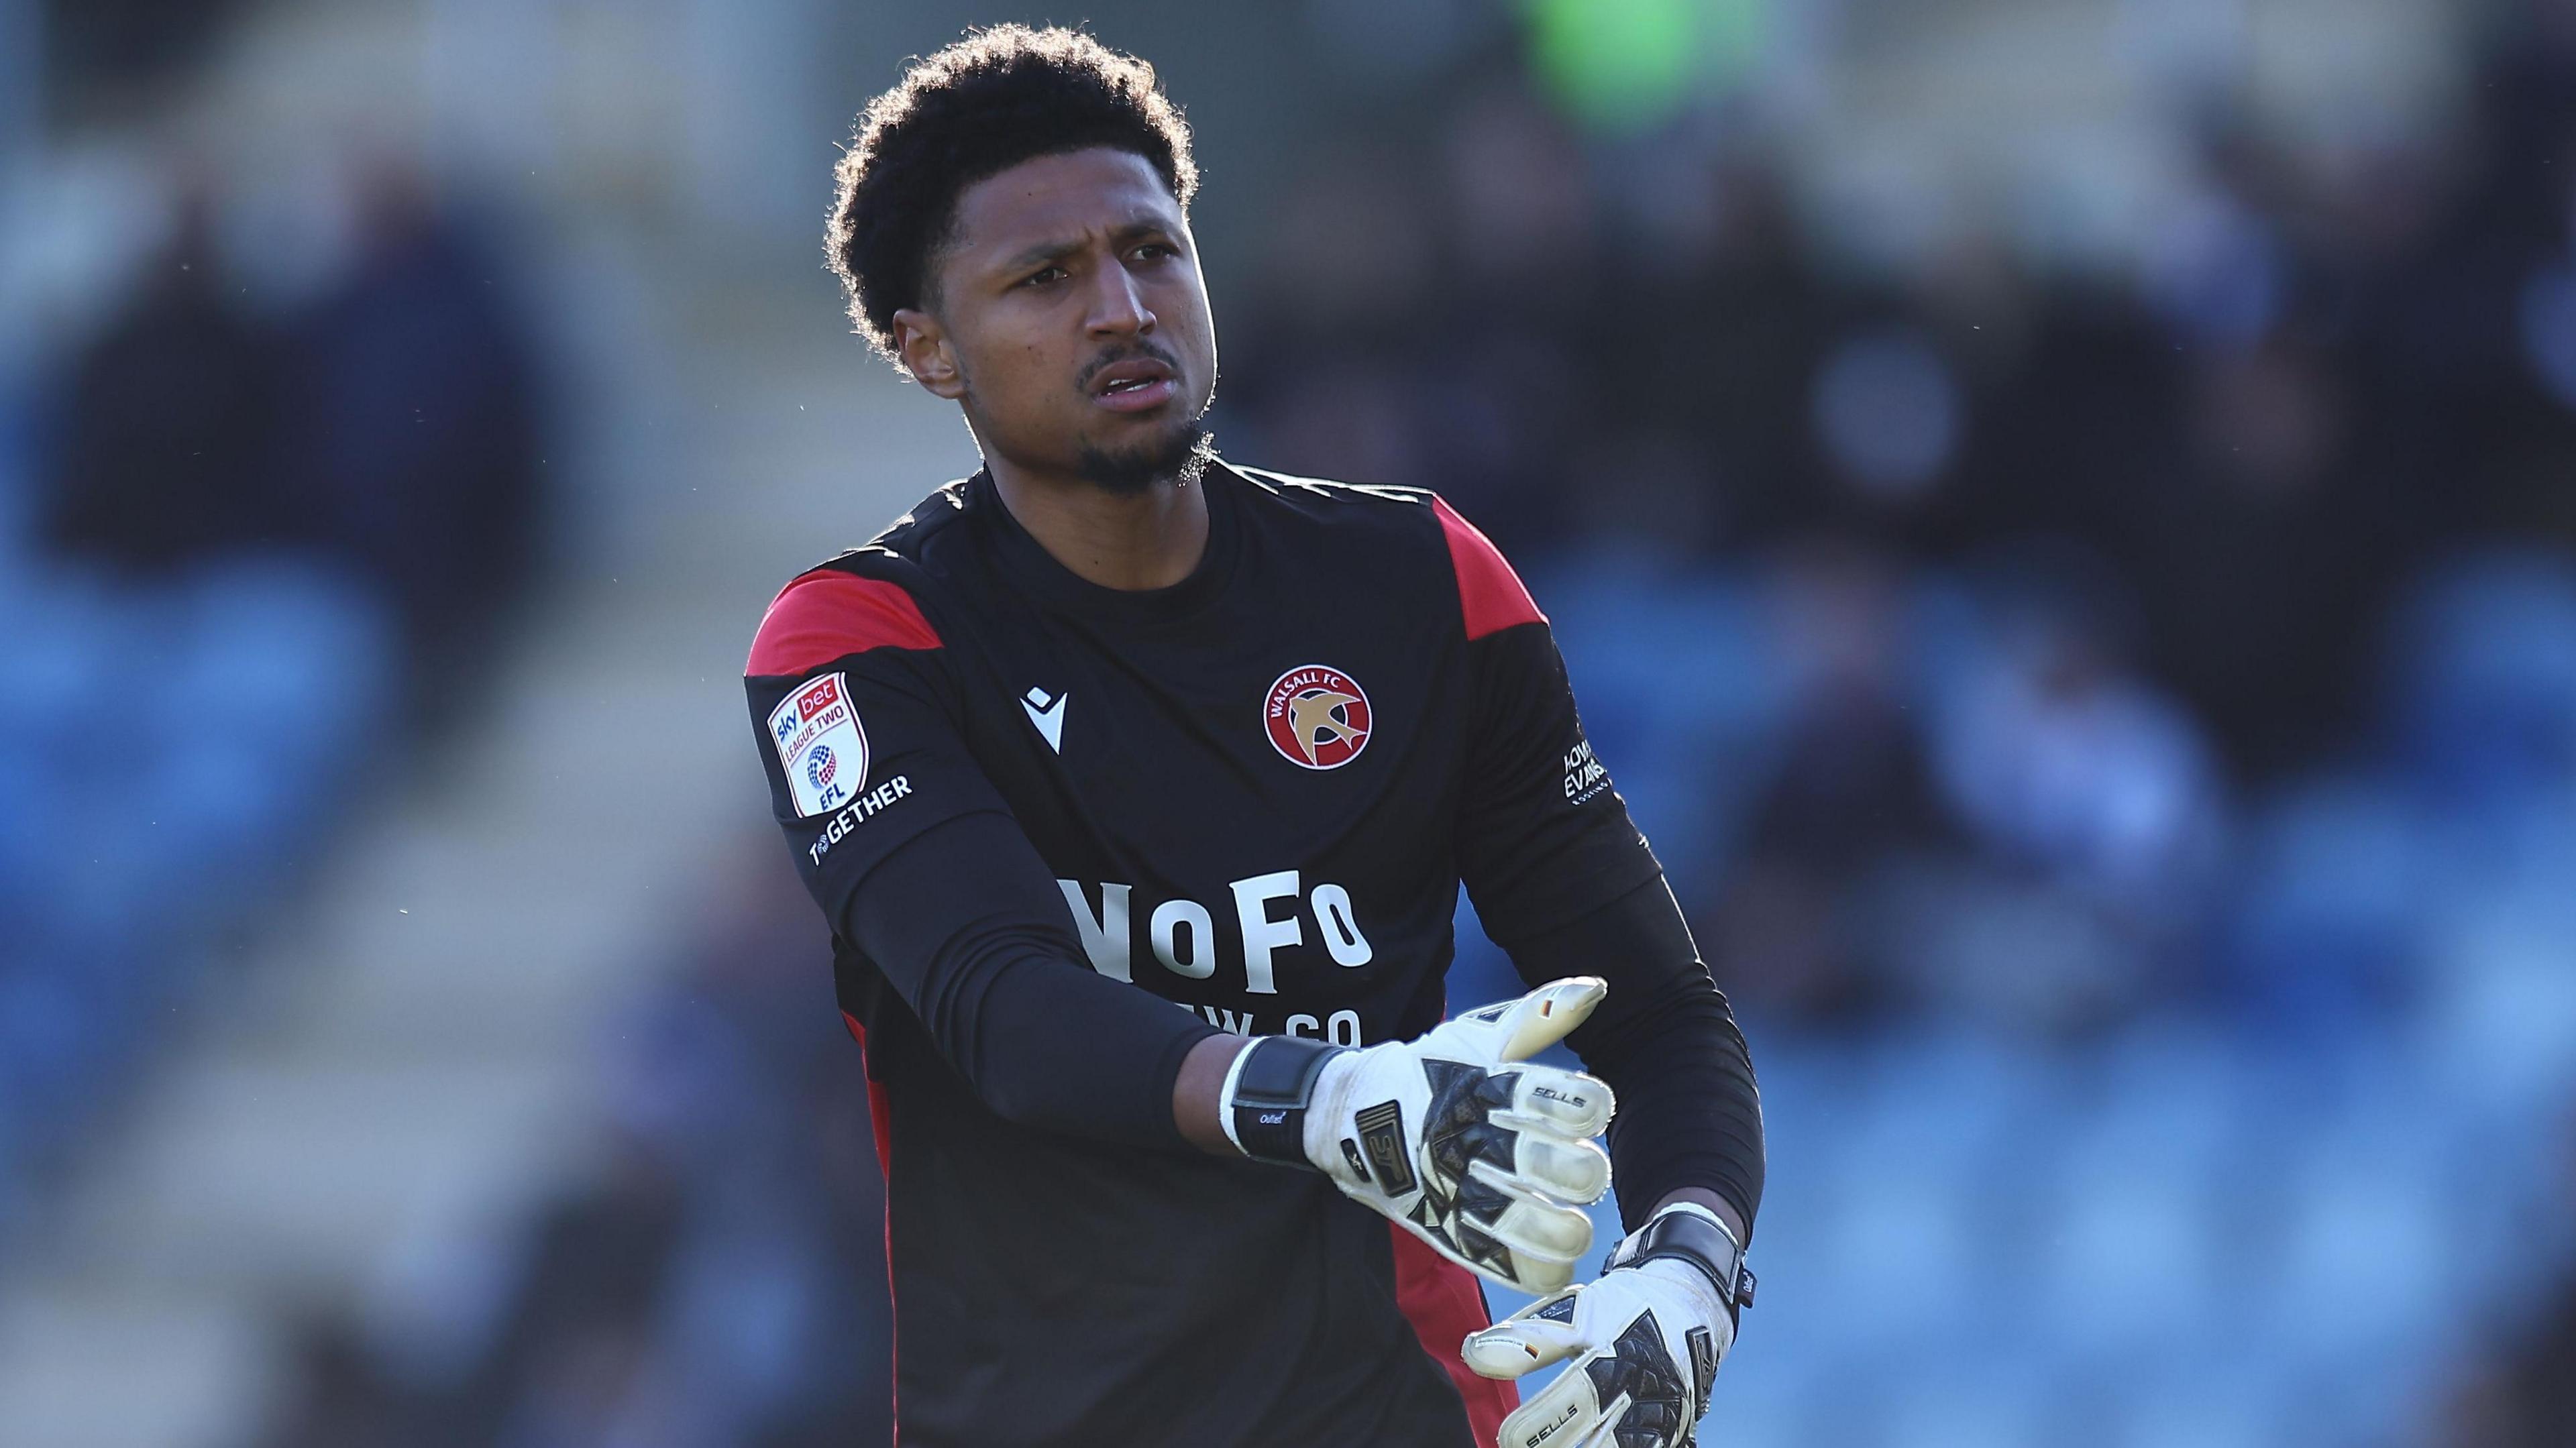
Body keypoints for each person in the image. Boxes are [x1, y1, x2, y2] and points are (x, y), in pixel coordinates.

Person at [742, 27, 1764, 1448]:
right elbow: (1005, 1011)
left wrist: (1691, 1267)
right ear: (928, 349)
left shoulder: (1425, 585)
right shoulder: (860, 642)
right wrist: (1322, 1092)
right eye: (1045, 278)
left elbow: (1663, 1019)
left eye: (1152, 252)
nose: (1121, 307)